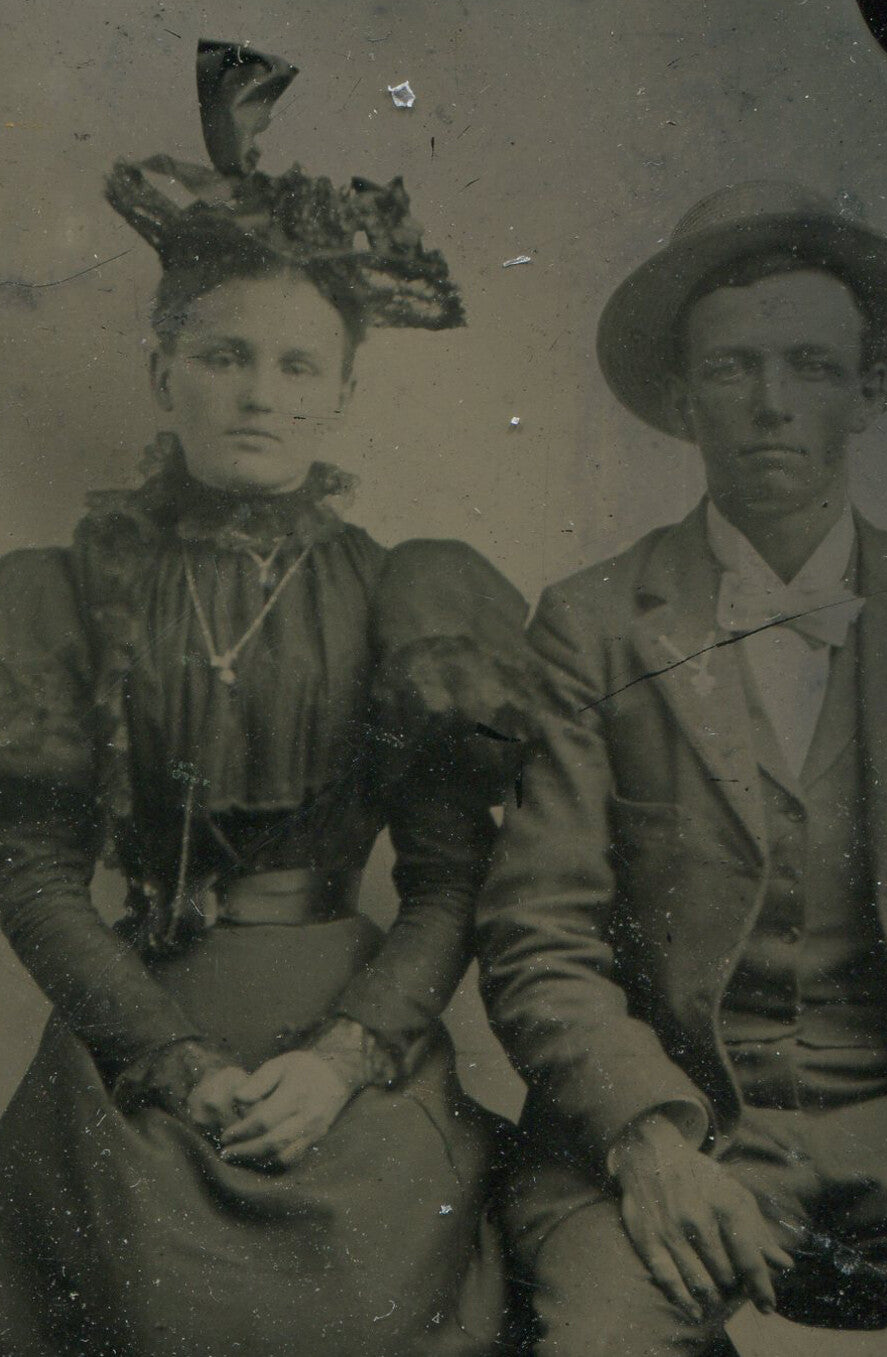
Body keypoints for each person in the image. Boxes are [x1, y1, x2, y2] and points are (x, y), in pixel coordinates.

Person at [0, 41, 528, 1357]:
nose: (259, 394)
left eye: (297, 367)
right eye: (225, 356)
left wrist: (345, 1057)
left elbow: (453, 879)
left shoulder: (407, 594)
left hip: (346, 1040)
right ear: (162, 370)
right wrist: (167, 1060)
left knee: (374, 1294)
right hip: (135, 1045)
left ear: (341, 392)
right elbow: (30, 866)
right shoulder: (62, 591)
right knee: (137, 1295)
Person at [477, 181, 887, 1354]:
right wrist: (645, 1140)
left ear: (869, 390)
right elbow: (542, 933)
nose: (773, 406)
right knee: (598, 1342)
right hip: (677, 1120)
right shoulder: (592, 624)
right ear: (683, 400)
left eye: (811, 366)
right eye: (734, 369)